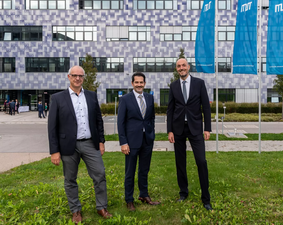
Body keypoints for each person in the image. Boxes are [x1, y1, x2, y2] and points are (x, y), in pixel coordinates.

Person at [48, 65, 112, 224]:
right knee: (70, 179)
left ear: (83, 78)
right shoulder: (57, 98)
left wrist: (101, 142)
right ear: (69, 77)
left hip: (90, 143)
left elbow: (98, 120)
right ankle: (75, 210)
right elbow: (52, 126)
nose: (78, 78)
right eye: (74, 75)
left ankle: (101, 207)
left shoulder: (91, 96)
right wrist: (54, 151)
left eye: (81, 76)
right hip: (68, 146)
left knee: (100, 174)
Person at [167, 58, 213, 211]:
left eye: (183, 65)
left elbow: (206, 107)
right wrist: (170, 130)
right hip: (178, 128)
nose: (181, 68)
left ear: (188, 67)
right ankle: (183, 192)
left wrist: (207, 128)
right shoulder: (173, 86)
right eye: (179, 66)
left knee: (201, 161)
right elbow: (170, 109)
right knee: (180, 163)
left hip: (195, 128)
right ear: (176, 68)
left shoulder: (199, 83)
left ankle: (206, 198)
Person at [117, 72, 160, 211]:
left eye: (141, 82)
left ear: (145, 84)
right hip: (131, 142)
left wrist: (151, 133)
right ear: (132, 83)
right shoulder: (125, 99)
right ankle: (129, 200)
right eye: (137, 82)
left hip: (147, 140)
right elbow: (120, 122)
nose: (139, 85)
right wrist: (123, 142)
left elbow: (151, 118)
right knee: (130, 172)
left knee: (144, 170)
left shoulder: (149, 97)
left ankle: (144, 194)